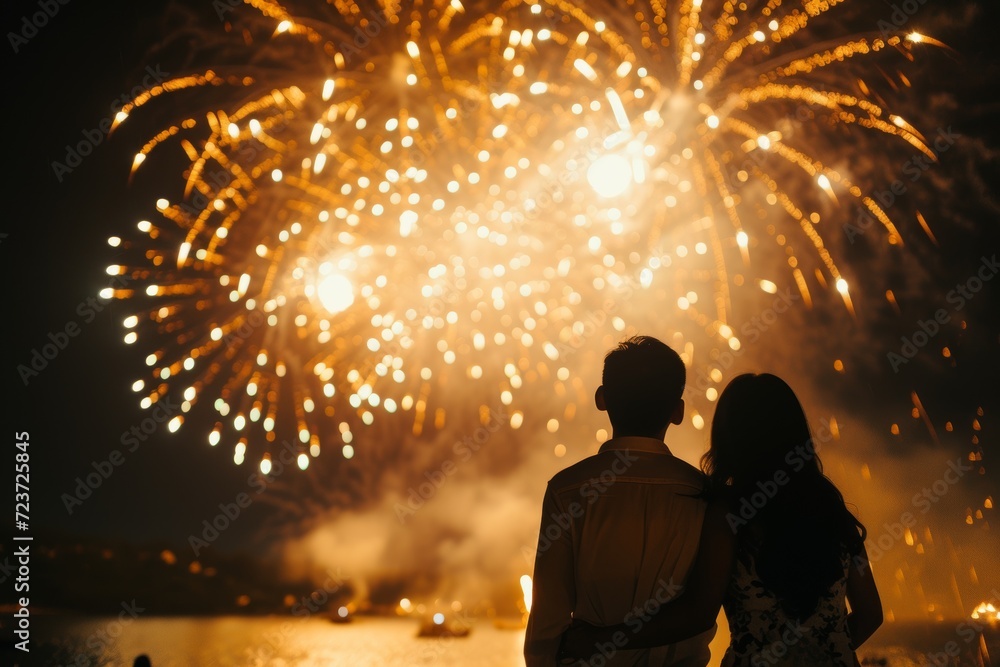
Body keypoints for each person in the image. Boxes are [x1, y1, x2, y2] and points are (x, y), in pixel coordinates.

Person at [560, 373, 883, 666]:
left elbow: (698, 614)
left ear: (730, 437)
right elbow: (870, 615)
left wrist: (602, 640)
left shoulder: (729, 513)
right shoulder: (831, 508)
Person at [524, 335, 716, 667]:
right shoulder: (705, 494)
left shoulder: (567, 490)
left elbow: (548, 618)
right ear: (678, 411)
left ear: (602, 399)